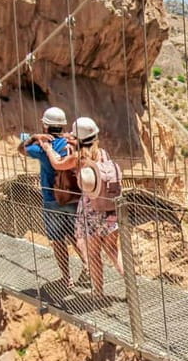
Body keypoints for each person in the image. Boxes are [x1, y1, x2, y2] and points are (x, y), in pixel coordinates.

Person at [43, 116, 122, 296]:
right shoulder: (103, 153)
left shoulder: (78, 157)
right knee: (113, 251)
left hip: (90, 210)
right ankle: (131, 284)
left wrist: (48, 148)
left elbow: (57, 163)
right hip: (109, 207)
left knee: (93, 255)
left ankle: (98, 292)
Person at [18, 107, 81, 286]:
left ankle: (66, 278)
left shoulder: (42, 147)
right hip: (74, 197)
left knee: (58, 240)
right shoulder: (72, 143)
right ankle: (89, 269)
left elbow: (21, 148)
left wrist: (35, 137)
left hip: (52, 200)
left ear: (45, 126)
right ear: (63, 126)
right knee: (77, 237)